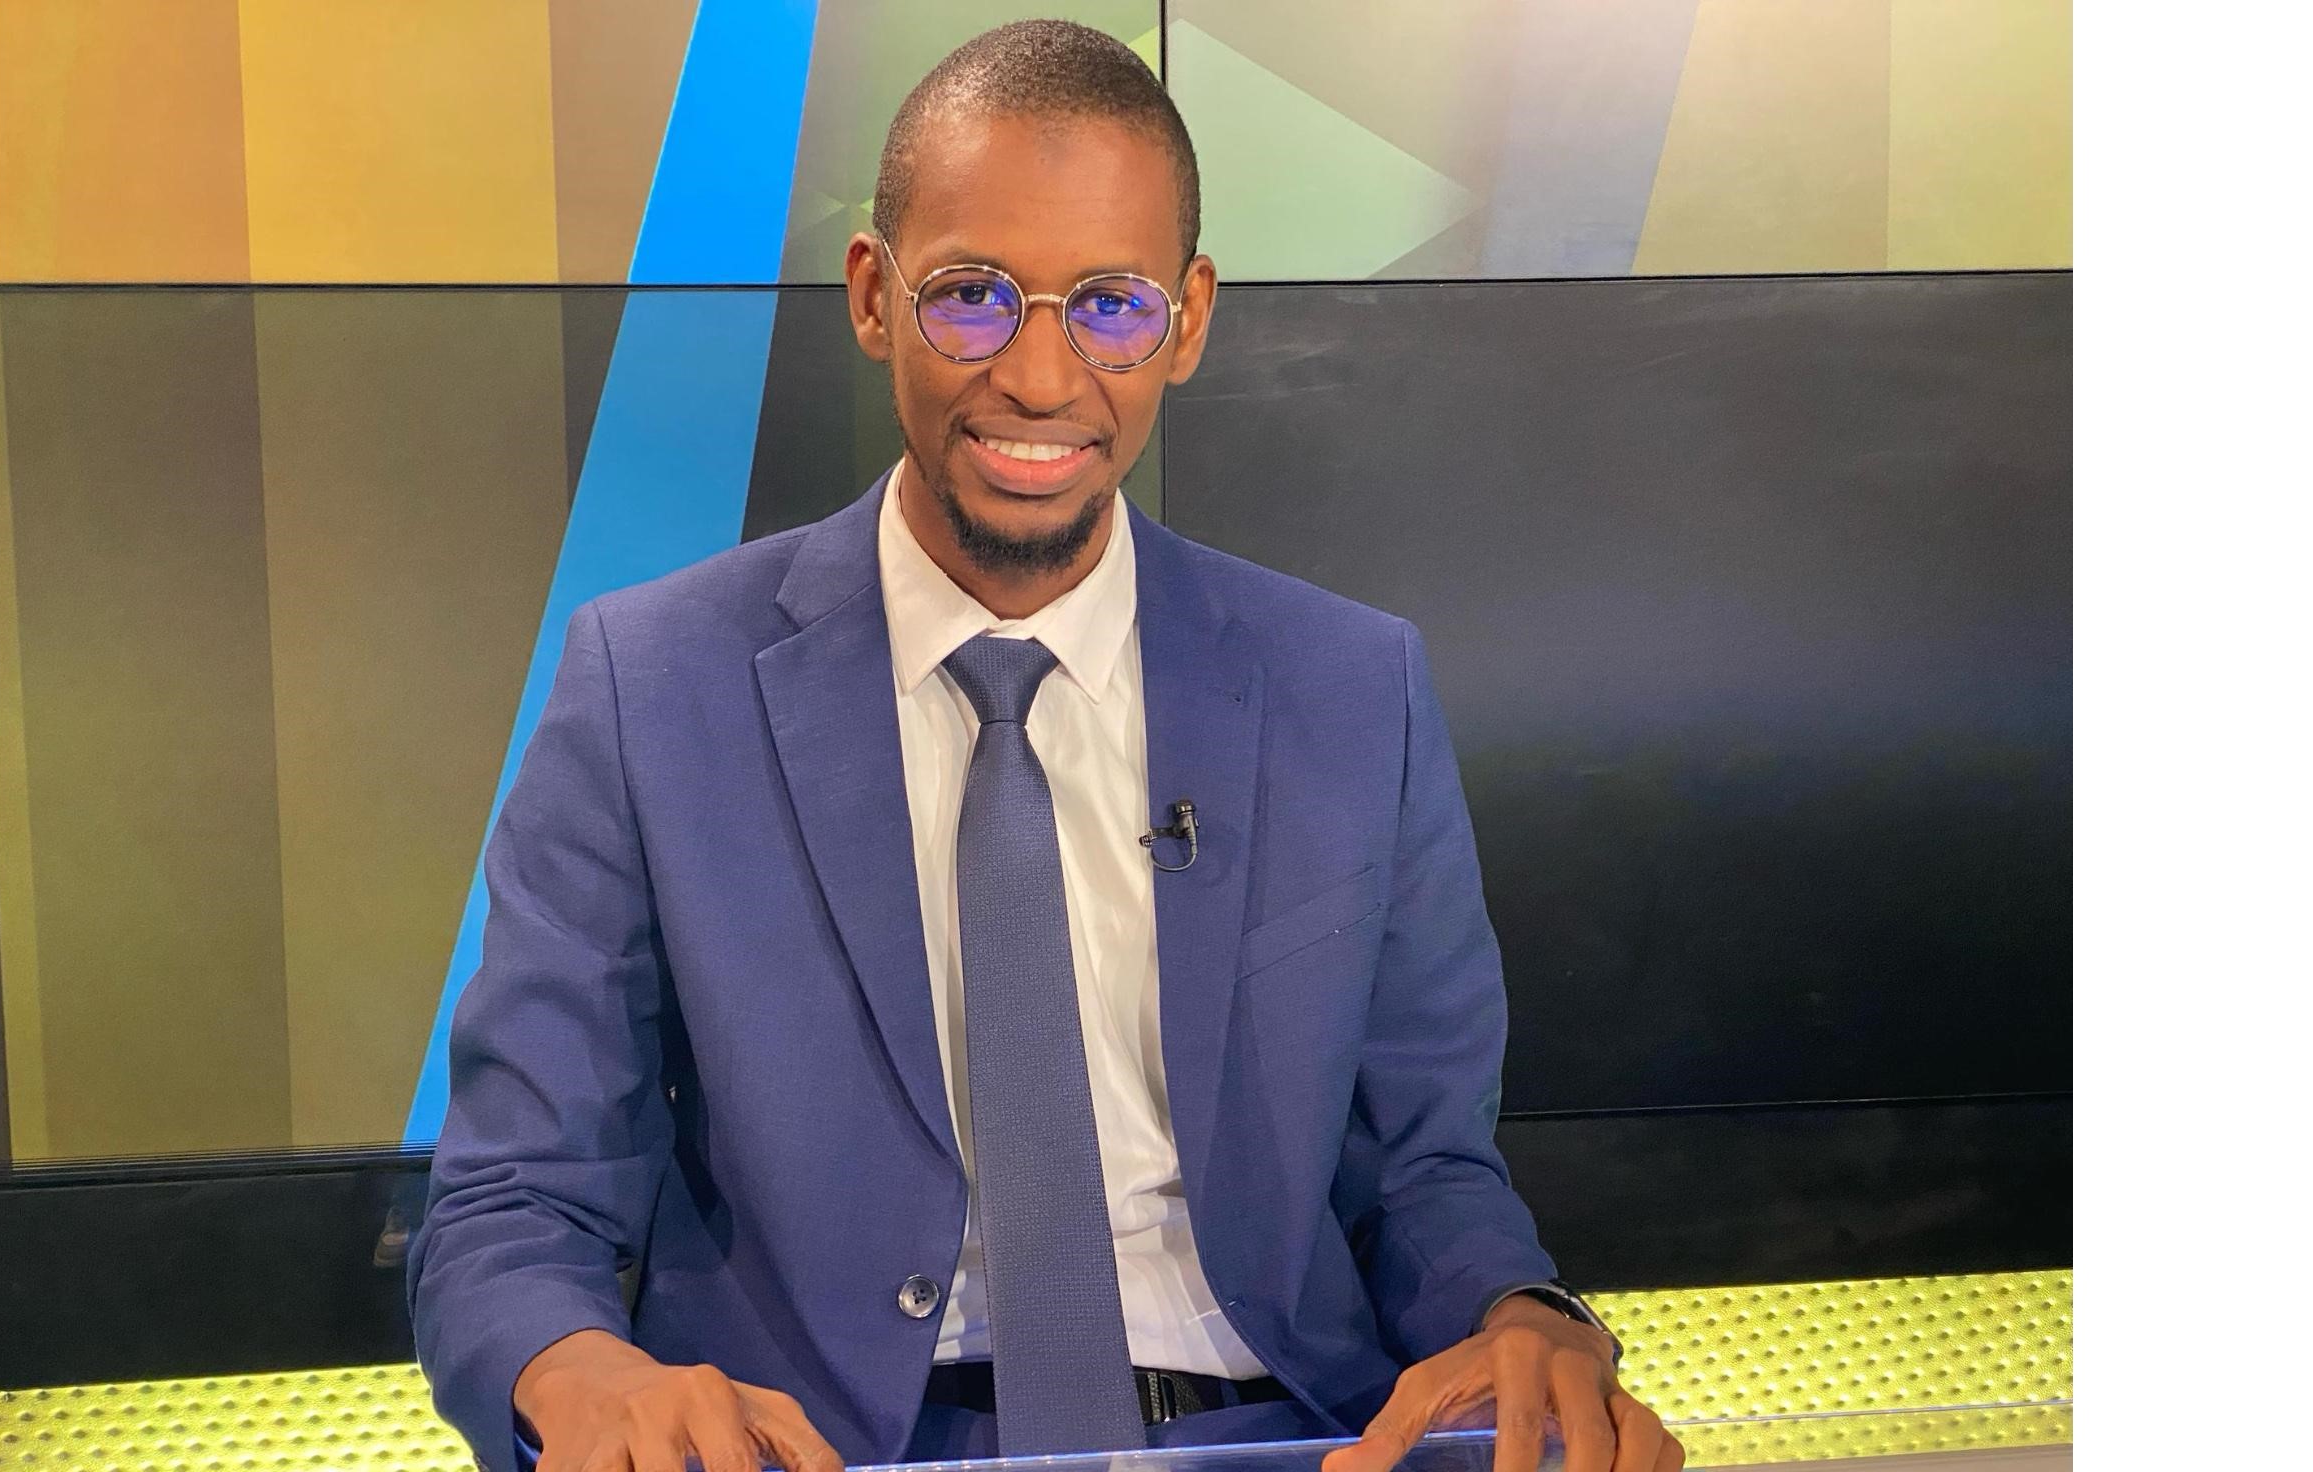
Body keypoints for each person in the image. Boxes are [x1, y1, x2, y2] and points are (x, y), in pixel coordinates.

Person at [409, 20, 1680, 1472]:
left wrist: (1525, 1316)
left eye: (1112, 305)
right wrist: (582, 1378)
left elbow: (1429, 1175)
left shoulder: (1350, 688)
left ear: (1187, 321)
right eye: (973, 298)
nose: (1039, 375)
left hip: (1287, 1438)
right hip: (824, 1451)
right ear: (874, 297)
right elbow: (513, 1207)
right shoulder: (650, 688)